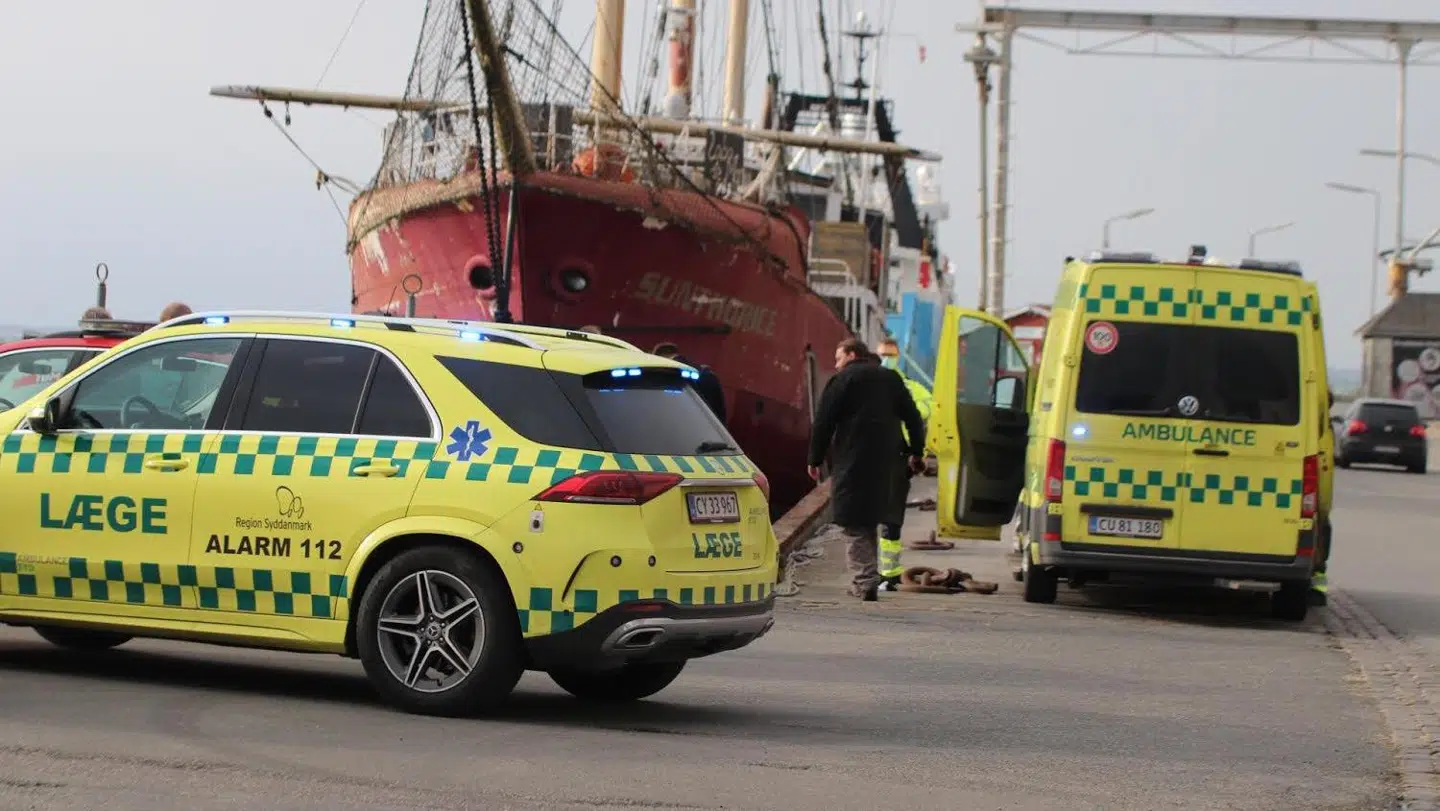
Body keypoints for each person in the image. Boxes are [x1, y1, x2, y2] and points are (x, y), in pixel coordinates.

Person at [807, 337, 926, 601]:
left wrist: (814, 459)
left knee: (851, 520)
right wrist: (917, 452)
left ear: (851, 355)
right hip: (889, 461)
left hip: (853, 460)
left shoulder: (843, 381)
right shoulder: (891, 378)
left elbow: (823, 422)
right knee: (870, 516)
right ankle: (868, 578)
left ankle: (864, 581)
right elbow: (913, 417)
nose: (836, 365)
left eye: (838, 358)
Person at [875, 337, 934, 589]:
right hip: (901, 461)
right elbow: (923, 421)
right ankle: (887, 573)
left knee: (878, 520)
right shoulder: (915, 389)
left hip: (883, 459)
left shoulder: (874, 388)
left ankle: (885, 573)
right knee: (890, 519)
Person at [652, 342, 727, 423]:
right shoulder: (707, 374)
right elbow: (720, 411)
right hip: (708, 427)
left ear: (660, 356)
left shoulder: (669, 373)